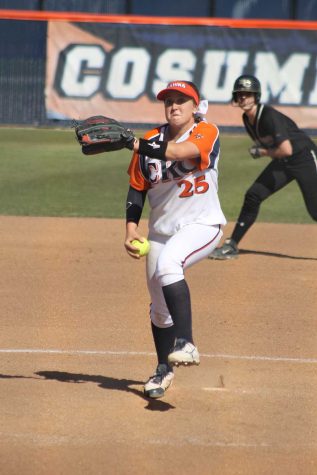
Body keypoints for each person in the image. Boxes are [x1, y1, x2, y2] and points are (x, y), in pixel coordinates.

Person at [124, 80, 226, 398]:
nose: (174, 105)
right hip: (160, 232)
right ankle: (163, 371)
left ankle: (186, 342)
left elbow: (182, 152)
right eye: (169, 100)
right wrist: (130, 229)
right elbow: (137, 187)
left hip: (203, 225)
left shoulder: (206, 131)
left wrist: (134, 143)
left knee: (170, 265)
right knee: (158, 310)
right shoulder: (152, 139)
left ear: (195, 106)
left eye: (182, 100)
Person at [209, 74, 317, 260]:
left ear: (256, 96)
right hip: (285, 162)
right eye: (240, 93)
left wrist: (262, 152)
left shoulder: (268, 116)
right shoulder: (247, 118)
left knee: (315, 210)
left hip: (304, 158)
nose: (243, 97)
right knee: (254, 195)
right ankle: (232, 244)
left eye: (248, 93)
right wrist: (265, 150)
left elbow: (286, 149)